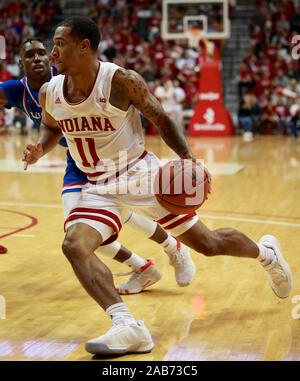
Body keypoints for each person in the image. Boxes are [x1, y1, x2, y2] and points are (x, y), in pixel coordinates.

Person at [23, 17, 292, 356]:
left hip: (141, 175)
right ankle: (127, 326)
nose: (53, 51)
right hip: (97, 184)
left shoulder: (120, 81)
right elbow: (51, 128)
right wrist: (39, 148)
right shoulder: (50, 92)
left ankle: (267, 255)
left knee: (208, 244)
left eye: (60, 43)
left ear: (84, 46)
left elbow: (161, 119)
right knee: (75, 245)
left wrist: (189, 158)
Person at [0, 38, 196, 294]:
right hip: (77, 160)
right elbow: (49, 129)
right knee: (79, 232)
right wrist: (38, 148)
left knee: (126, 211)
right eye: (29, 55)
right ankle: (142, 267)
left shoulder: (68, 74)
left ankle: (173, 247)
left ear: (51, 58)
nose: (37, 58)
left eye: (41, 53)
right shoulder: (15, 90)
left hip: (112, 154)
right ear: (20, 64)